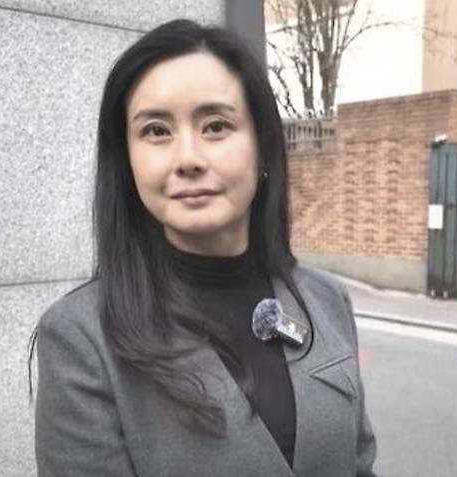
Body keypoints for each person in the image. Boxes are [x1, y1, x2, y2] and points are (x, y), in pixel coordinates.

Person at [32, 19, 377, 477]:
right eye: (157, 131)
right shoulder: (81, 338)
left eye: (216, 126)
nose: (188, 159)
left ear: (262, 146)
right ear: (127, 162)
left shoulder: (326, 300)